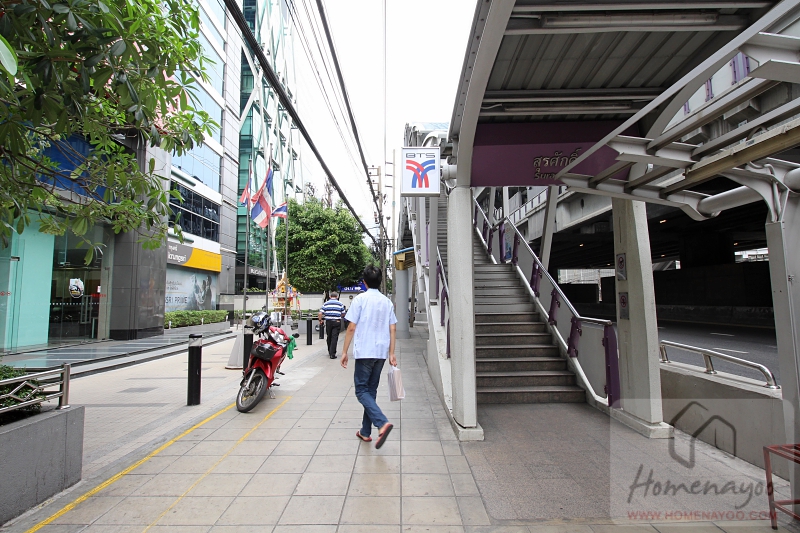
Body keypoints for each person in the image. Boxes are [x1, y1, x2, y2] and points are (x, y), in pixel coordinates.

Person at [341, 266, 397, 449]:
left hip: (365, 351)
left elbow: (351, 327)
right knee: (370, 391)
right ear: (380, 281)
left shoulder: (360, 300)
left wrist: (344, 352)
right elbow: (393, 328)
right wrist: (391, 353)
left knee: (361, 391)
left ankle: (382, 423)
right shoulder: (387, 302)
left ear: (364, 282)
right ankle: (365, 431)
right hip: (380, 353)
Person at [318, 291, 346, 359]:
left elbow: (320, 313)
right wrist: (340, 316)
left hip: (329, 322)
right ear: (337, 297)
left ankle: (329, 351)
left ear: (330, 296)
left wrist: (320, 320)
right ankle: (332, 353)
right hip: (337, 321)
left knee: (329, 336)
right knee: (334, 337)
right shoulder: (340, 304)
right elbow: (343, 313)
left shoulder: (326, 304)